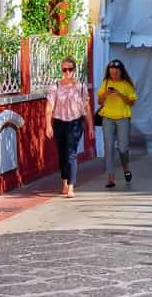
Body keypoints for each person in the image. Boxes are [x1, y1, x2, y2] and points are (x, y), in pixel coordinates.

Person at [46, 56, 94, 198]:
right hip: (59, 122)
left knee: (71, 152)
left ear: (74, 70)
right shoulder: (55, 87)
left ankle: (71, 186)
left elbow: (87, 107)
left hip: (75, 122)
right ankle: (65, 181)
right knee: (62, 154)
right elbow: (49, 107)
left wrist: (90, 126)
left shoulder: (81, 87)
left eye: (70, 69)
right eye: (64, 69)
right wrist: (48, 125)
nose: (67, 72)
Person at [97, 59, 137, 189]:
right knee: (108, 147)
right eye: (111, 71)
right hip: (107, 117)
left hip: (123, 118)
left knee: (123, 147)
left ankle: (126, 167)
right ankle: (111, 177)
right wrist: (106, 94)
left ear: (121, 72)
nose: (114, 73)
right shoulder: (106, 83)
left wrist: (120, 95)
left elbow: (132, 102)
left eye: (116, 71)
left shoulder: (127, 84)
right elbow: (99, 101)